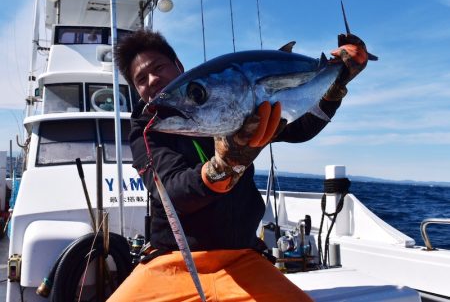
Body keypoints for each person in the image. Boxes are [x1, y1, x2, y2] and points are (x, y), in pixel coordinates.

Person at [108, 29, 368, 302]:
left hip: (241, 256)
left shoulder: (234, 103)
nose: (152, 80)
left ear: (179, 66)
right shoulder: (147, 130)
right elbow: (172, 193)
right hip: (172, 259)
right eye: (140, 80)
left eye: (158, 67)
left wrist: (335, 88)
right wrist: (224, 166)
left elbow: (299, 128)